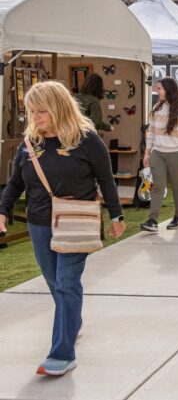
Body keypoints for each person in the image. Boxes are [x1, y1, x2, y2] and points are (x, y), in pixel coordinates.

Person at [0, 81, 126, 376]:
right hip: (39, 223)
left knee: (67, 282)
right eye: (31, 112)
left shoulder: (87, 140)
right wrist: (3, 211)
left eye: (41, 111)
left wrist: (117, 216)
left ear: (58, 108)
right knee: (55, 283)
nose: (35, 118)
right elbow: (15, 182)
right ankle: (72, 323)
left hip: (76, 221)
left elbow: (106, 180)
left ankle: (62, 353)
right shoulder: (30, 143)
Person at [140, 77, 178, 232]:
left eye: (160, 88)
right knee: (157, 186)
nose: (157, 91)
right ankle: (153, 220)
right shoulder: (157, 107)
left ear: (169, 90)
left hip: (177, 153)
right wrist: (147, 153)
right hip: (158, 153)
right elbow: (151, 133)